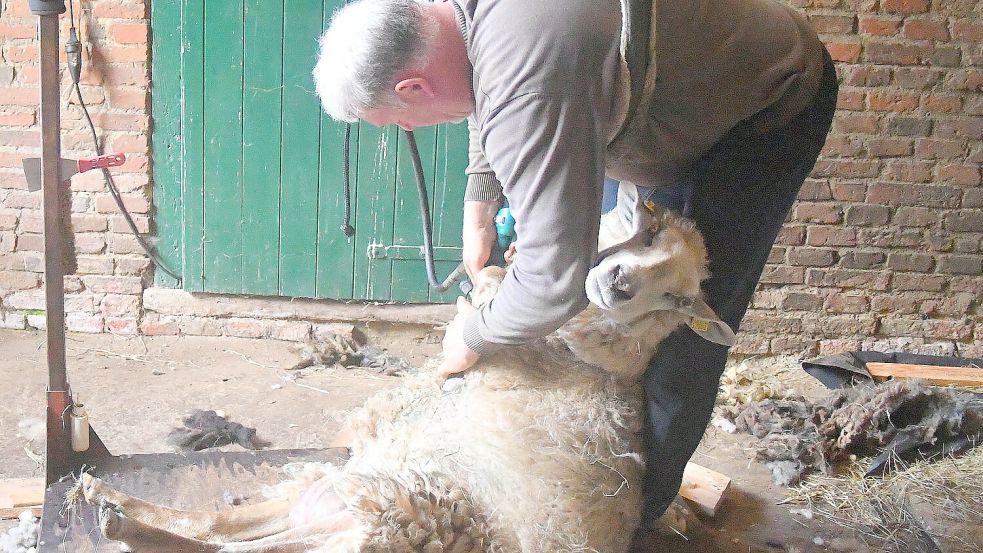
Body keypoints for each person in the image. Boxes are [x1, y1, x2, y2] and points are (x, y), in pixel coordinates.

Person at [314, 0, 838, 535]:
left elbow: (553, 285)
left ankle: (622, 521)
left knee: (673, 335)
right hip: (637, 82)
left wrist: (473, 333)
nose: (409, 127)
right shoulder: (454, 22)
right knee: (597, 286)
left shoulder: (530, 87)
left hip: (756, 110)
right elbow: (482, 81)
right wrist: (481, 195)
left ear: (411, 89)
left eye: (401, 122)